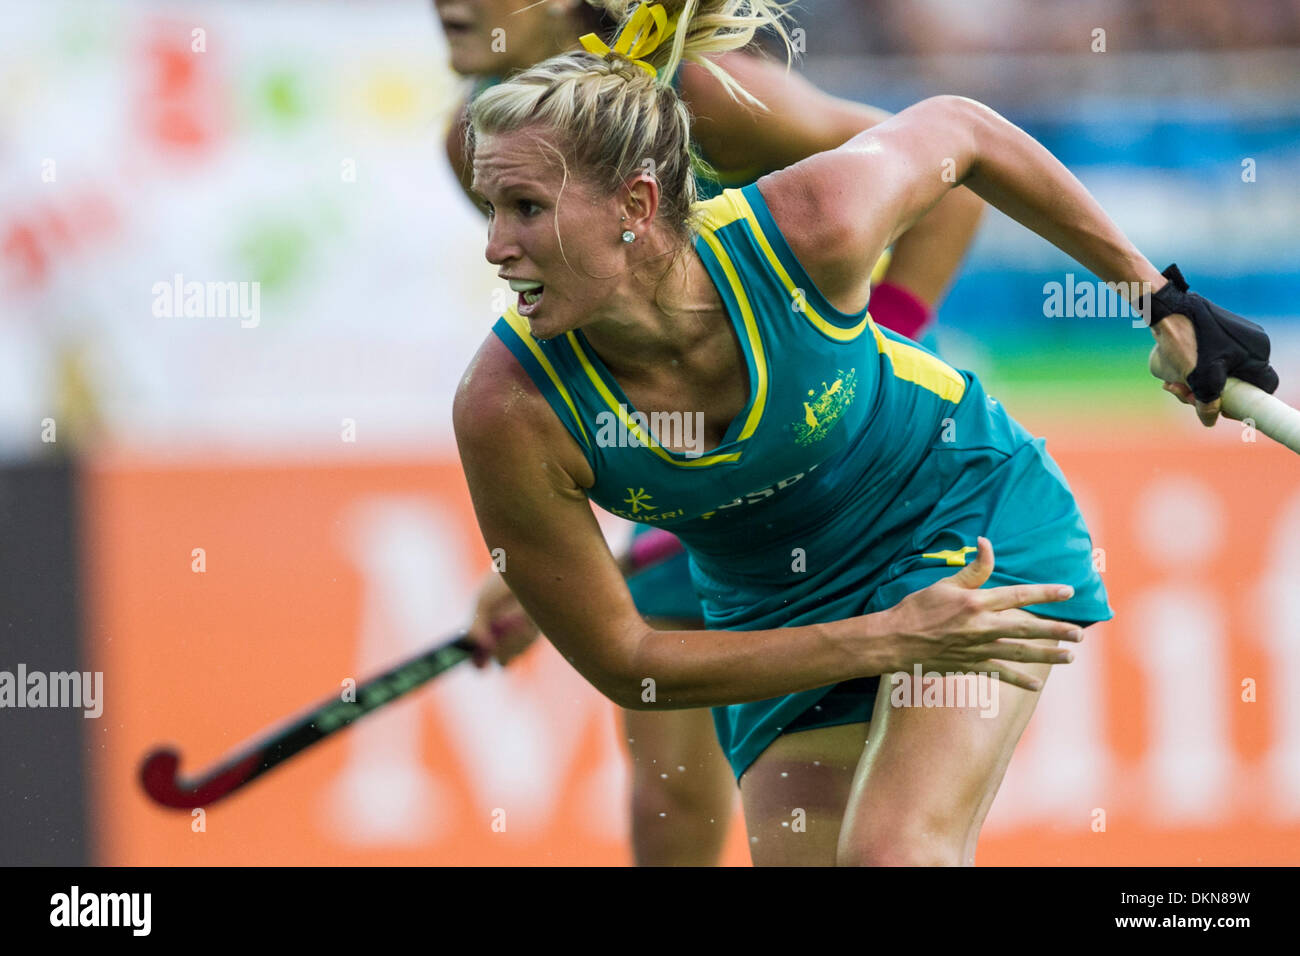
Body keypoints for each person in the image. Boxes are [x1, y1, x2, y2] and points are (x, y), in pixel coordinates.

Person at [455, 0, 1278, 865]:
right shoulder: (508, 410)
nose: (495, 247)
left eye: (525, 209)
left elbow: (962, 131)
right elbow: (631, 661)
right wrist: (889, 637)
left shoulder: (813, 223)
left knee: (892, 857)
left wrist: (1161, 302)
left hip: (957, 515)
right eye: (490, 209)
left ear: (636, 202)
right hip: (774, 607)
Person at [435, 0, 984, 866]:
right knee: (671, 796)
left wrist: (864, 369)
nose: (449, 5)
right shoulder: (474, 134)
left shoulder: (710, 96)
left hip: (856, 468)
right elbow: (603, 347)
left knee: (865, 835)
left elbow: (951, 187)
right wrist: (558, 564)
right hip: (696, 485)